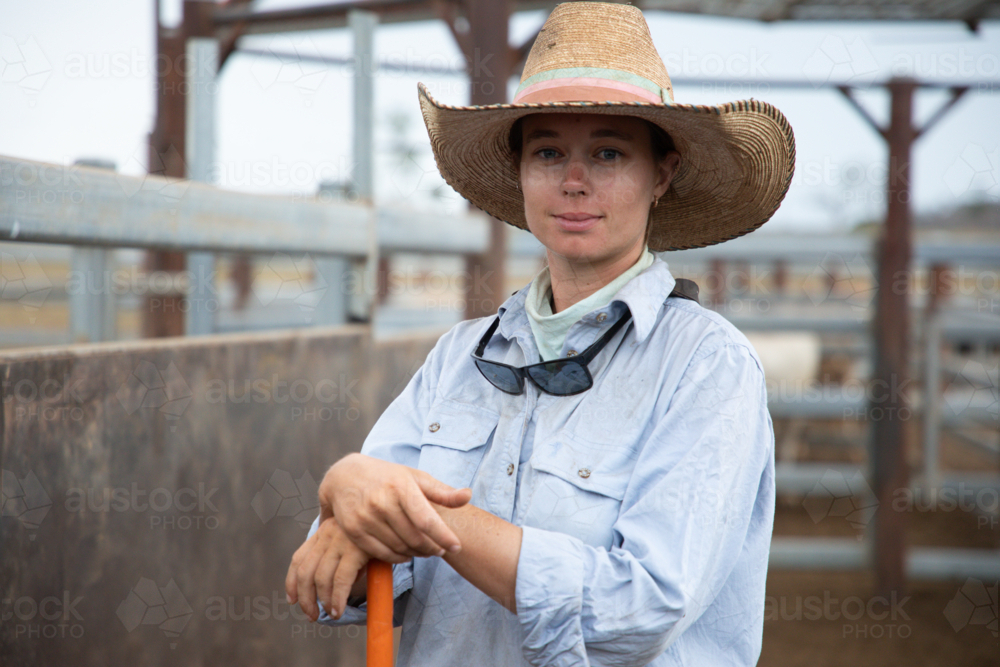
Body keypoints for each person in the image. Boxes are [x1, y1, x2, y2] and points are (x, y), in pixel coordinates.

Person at [286, 2, 795, 665]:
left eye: (608, 152)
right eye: (547, 150)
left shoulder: (707, 366)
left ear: (661, 174)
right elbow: (339, 580)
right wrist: (348, 503)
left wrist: (403, 504)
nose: (573, 180)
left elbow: (639, 607)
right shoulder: (460, 358)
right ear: (520, 171)